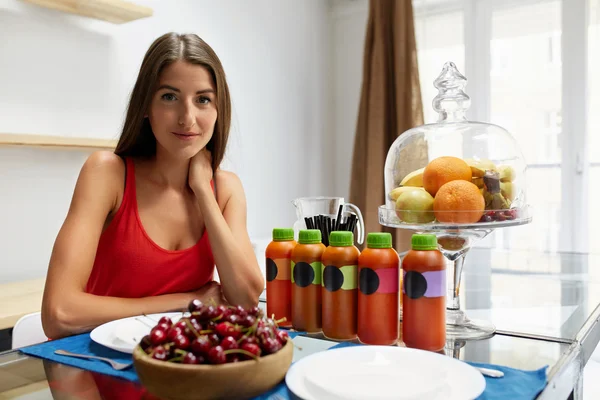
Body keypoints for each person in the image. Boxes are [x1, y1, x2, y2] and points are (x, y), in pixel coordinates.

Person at [41, 32, 264, 340]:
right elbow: (58, 314)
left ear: (218, 110)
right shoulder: (107, 174)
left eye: (203, 99)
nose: (187, 118)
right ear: (145, 105)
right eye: (170, 97)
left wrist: (202, 190)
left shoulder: (225, 190)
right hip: (96, 368)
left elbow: (246, 300)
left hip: (178, 365)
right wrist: (187, 301)